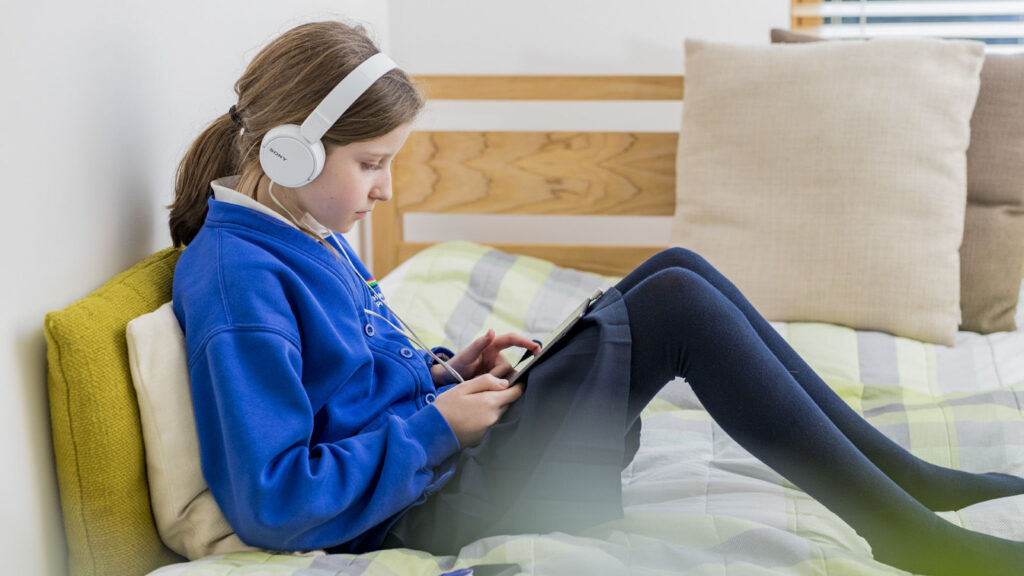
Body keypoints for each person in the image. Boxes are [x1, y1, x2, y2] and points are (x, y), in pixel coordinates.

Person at [168, 21, 1024, 576]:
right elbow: (275, 501)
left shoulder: (301, 230)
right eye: (373, 164)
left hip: (449, 462)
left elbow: (354, 387)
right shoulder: (242, 283)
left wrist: (442, 375)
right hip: (426, 509)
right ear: (286, 153)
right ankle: (907, 529)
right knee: (677, 307)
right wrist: (441, 425)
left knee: (673, 268)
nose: (385, 191)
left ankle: (904, 480)